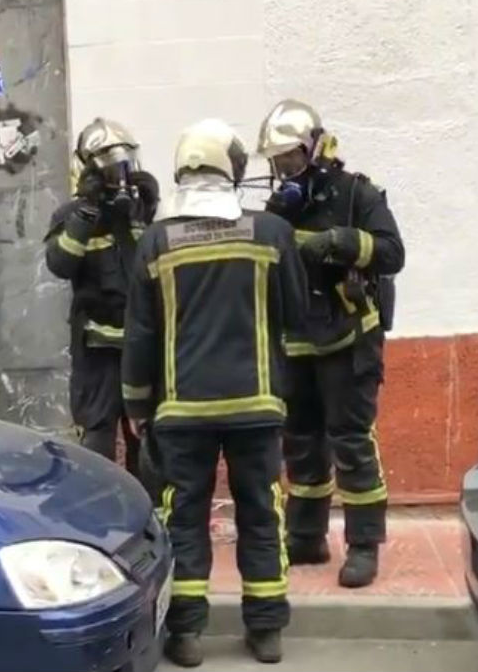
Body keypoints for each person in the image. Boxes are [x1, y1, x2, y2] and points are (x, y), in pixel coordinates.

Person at [122, 119, 310, 666]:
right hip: (257, 407)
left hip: (182, 411)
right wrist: (287, 393)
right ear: (230, 169)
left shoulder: (157, 241)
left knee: (184, 518)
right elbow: (294, 318)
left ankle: (185, 633)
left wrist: (136, 404)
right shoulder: (271, 234)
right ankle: (266, 629)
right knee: (260, 512)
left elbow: (140, 333)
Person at [256, 99, 405, 589]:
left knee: (351, 441)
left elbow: (391, 252)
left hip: (348, 338)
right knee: (301, 443)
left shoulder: (355, 193)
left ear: (316, 148)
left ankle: (363, 545)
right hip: (297, 341)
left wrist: (341, 241)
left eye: (291, 159)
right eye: (277, 162)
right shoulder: (278, 208)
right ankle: (306, 535)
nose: (284, 170)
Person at [45, 118, 159, 478]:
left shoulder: (136, 213)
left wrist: (152, 209)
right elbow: (61, 263)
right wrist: (87, 211)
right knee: (97, 444)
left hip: (140, 348)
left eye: (124, 166)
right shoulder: (72, 215)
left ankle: (150, 519)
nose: (120, 175)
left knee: (148, 444)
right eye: (111, 169)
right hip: (97, 353)